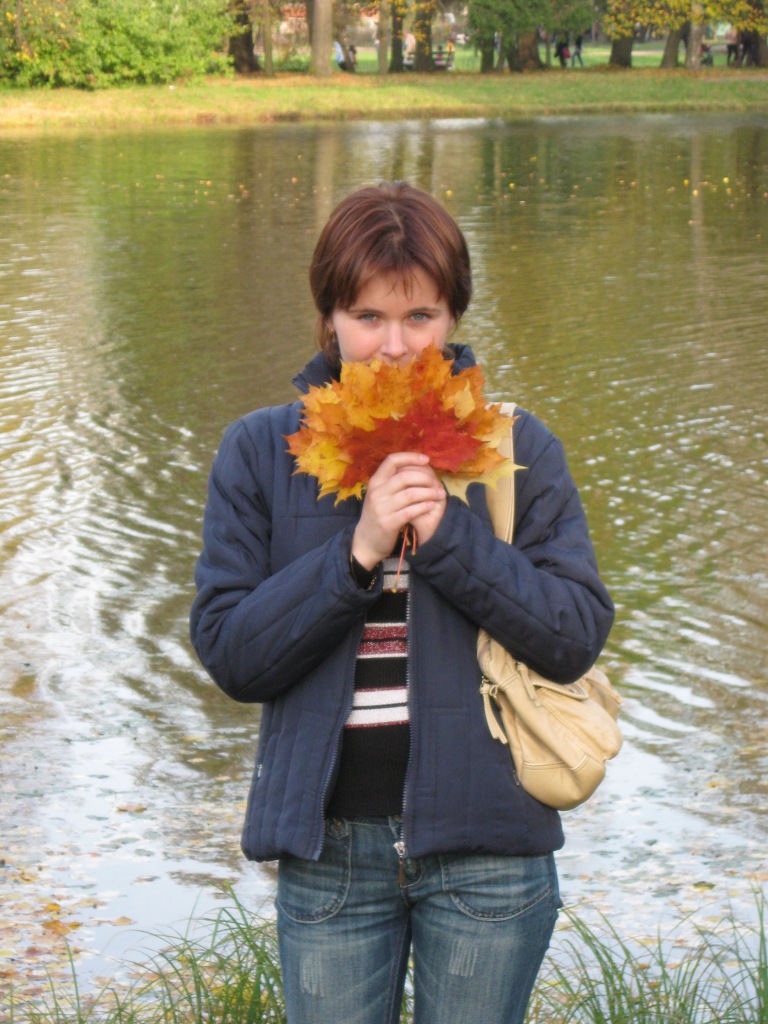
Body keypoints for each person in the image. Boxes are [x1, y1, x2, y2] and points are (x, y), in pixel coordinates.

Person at [190, 181, 614, 1024]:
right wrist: (357, 552)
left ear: (452, 316)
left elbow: (573, 635)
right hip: (328, 854)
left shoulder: (514, 448)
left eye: (420, 316)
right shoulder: (260, 452)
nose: (393, 346)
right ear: (329, 316)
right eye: (368, 317)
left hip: (489, 848)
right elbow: (234, 656)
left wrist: (450, 540)